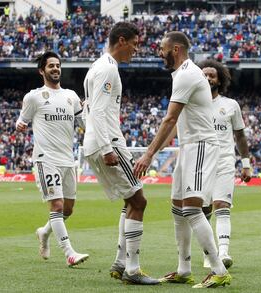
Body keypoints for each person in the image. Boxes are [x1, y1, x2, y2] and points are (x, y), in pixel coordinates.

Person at [133, 31, 231, 289]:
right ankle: (184, 268)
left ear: (175, 49)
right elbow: (178, 123)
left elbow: (170, 119)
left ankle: (219, 270)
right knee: (178, 208)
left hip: (201, 146)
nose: (159, 53)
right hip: (189, 147)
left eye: (162, 49)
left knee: (191, 208)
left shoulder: (187, 74)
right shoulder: (182, 73)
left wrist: (149, 154)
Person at [82, 22, 159, 285]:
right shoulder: (107, 69)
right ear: (122, 40)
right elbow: (99, 112)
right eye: (135, 44)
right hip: (108, 144)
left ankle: (120, 263)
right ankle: (133, 270)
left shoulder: (97, 66)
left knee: (130, 201)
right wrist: (106, 148)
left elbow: (87, 109)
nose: (136, 50)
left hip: (98, 141)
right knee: (139, 201)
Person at [16, 51, 88, 267]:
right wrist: (20, 125)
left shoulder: (71, 96)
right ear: (42, 70)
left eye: (58, 65)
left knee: (68, 209)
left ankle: (44, 232)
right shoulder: (34, 97)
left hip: (68, 159)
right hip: (45, 159)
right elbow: (22, 121)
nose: (56, 69)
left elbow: (81, 124)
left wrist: (88, 111)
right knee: (56, 205)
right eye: (51, 66)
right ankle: (69, 253)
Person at [197, 59, 252, 269]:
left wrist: (246, 163)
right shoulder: (192, 103)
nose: (208, 78)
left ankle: (224, 252)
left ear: (219, 79)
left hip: (224, 161)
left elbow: (240, 136)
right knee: (203, 209)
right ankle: (209, 252)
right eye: (204, 74)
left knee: (222, 205)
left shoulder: (230, 105)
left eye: (212, 75)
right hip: (201, 162)